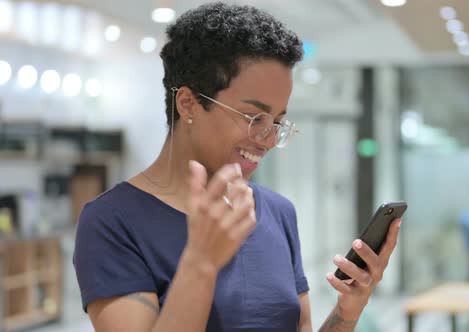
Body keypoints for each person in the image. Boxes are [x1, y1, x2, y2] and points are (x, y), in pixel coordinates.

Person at [73, 2, 402, 331]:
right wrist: (201, 262)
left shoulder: (277, 212)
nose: (269, 139)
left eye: (278, 121)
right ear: (188, 103)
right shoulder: (112, 222)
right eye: (253, 117)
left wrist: (348, 310)